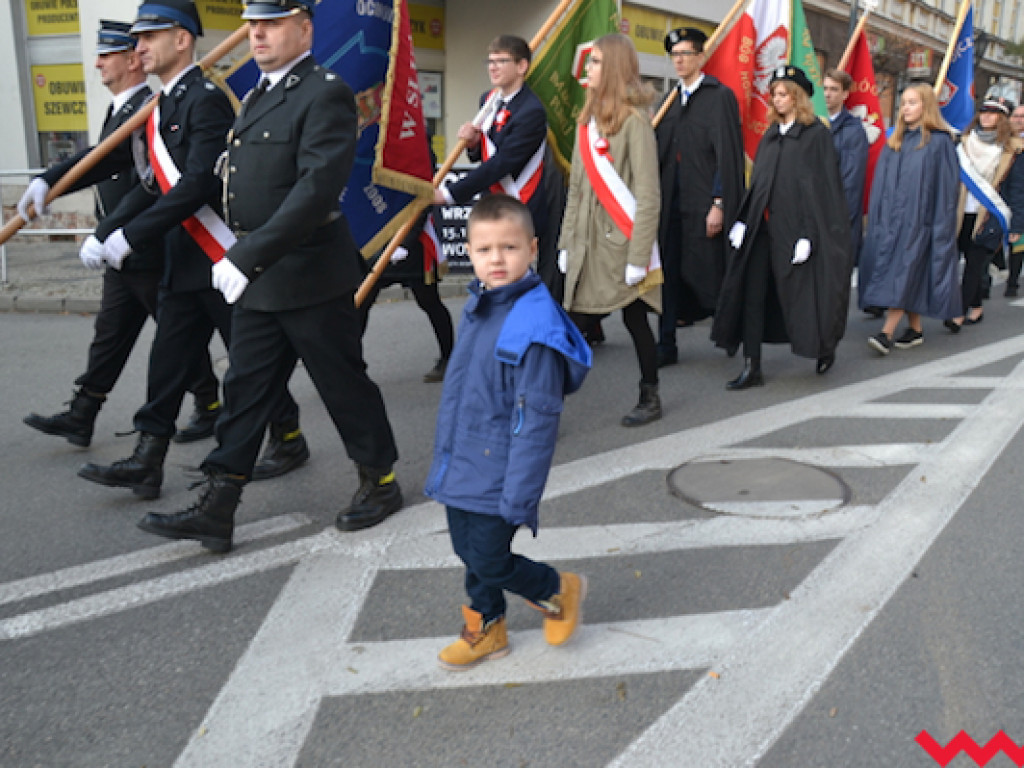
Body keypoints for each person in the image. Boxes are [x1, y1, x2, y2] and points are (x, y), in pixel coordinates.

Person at [136, 0, 404, 553]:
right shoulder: (256, 94)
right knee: (245, 390)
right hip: (259, 276)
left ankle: (379, 481)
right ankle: (220, 502)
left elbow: (315, 191)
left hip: (310, 275)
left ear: (304, 29)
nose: (257, 33)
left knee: (342, 384)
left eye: (272, 22)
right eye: (253, 24)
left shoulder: (323, 91)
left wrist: (245, 256)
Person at [74, 0, 306, 500]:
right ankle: (148, 457)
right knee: (167, 362)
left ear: (182, 40)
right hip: (181, 259)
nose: (139, 48)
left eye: (149, 37)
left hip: (217, 257)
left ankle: (288, 437)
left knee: (249, 362)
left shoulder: (204, 99)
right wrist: (112, 227)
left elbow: (198, 182)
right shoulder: (163, 105)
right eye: (137, 38)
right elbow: (151, 184)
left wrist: (132, 234)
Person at [19, 19, 219, 448]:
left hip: (146, 245)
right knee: (116, 335)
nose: (97, 65)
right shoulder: (127, 109)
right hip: (121, 247)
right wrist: (49, 179)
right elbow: (100, 160)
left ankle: (214, 405)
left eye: (107, 55)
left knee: (178, 334)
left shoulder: (154, 106)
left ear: (132, 61)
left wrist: (117, 232)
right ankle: (84, 411)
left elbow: (151, 184)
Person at [425, 194, 592, 670]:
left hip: (499, 469)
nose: (496, 259)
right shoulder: (480, 305)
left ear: (532, 248)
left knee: (489, 557)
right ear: (469, 253)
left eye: (509, 247)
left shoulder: (532, 326)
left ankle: (555, 589)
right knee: (467, 549)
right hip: (464, 458)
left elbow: (536, 421)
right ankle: (488, 627)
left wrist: (520, 495)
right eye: (484, 249)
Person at [711, 66, 852, 388]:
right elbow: (759, 183)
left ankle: (823, 347)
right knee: (752, 294)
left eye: (783, 93)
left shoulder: (815, 135)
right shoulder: (771, 136)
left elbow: (823, 190)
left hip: (797, 232)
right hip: (762, 230)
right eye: (774, 93)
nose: (776, 99)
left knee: (806, 296)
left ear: (798, 97)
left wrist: (809, 235)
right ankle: (752, 365)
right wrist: (744, 221)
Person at [558, 33, 663, 426]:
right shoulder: (586, 122)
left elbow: (649, 196)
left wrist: (639, 257)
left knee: (635, 321)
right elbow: (576, 192)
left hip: (620, 243)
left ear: (616, 67)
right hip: (585, 244)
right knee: (572, 324)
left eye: (596, 62)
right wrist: (566, 242)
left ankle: (650, 394)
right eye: (589, 62)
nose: (588, 69)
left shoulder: (635, 123)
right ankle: (545, 406)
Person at [433, 35, 564, 298]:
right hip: (493, 201)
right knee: (493, 276)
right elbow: (481, 155)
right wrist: (472, 143)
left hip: (521, 203)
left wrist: (450, 193)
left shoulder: (531, 111)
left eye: (501, 61)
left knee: (515, 276)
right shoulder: (488, 100)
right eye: (490, 61)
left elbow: (503, 163)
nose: (493, 67)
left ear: (522, 66)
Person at [654, 27, 744, 368]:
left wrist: (718, 202)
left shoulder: (718, 96)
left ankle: (732, 332)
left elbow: (727, 154)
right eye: (674, 55)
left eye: (685, 54)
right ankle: (666, 343)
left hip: (704, 202)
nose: (679, 61)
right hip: (672, 204)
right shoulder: (669, 100)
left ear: (701, 57)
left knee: (713, 272)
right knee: (669, 273)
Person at [859, 83, 961, 354]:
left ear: (926, 106)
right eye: (903, 102)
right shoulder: (895, 141)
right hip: (891, 222)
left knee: (903, 272)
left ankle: (886, 332)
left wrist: (940, 226)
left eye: (912, 102)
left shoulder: (939, 143)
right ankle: (914, 329)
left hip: (921, 222)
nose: (906, 108)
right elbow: (881, 186)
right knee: (902, 272)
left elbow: (947, 190)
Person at [950, 97, 1024, 319]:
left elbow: (1016, 189)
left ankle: (958, 313)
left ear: (1001, 118)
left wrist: (1016, 226)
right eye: (983, 111)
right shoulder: (963, 143)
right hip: (961, 212)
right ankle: (977, 306)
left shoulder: (1012, 150)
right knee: (960, 259)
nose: (986, 116)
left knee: (975, 264)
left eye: (993, 112)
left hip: (990, 213)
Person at [823, 69, 869, 266]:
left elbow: (851, 183)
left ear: (844, 94)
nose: (827, 94)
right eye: (824, 88)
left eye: (834, 89)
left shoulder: (853, 131)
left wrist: (836, 224)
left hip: (837, 224)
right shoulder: (812, 124)